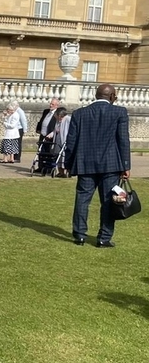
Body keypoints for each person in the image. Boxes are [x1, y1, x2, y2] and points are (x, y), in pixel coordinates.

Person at [64, 84, 131, 247]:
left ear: (96, 95)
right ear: (112, 96)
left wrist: (68, 163)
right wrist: (126, 165)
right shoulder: (119, 112)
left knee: (82, 200)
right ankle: (104, 238)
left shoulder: (80, 113)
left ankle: (79, 235)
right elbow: (123, 140)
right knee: (109, 201)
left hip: (85, 163)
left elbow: (71, 142)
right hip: (110, 164)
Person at [53, 107, 71, 177]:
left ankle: (67, 171)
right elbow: (55, 130)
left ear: (60, 115)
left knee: (64, 156)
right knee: (58, 155)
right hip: (58, 139)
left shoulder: (68, 119)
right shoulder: (58, 121)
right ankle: (60, 172)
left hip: (65, 140)